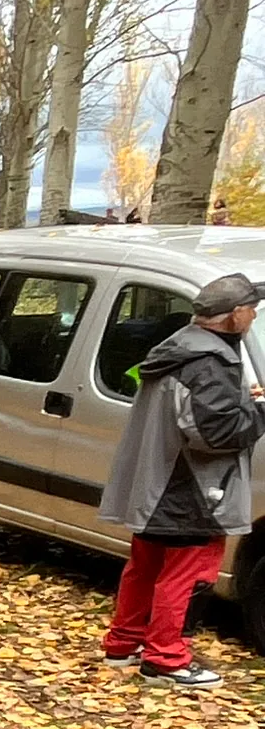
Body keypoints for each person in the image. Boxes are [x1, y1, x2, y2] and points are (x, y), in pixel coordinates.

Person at [97, 271, 265, 689]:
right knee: (189, 574)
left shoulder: (176, 348)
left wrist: (244, 401)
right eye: (252, 309)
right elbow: (215, 434)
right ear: (233, 316)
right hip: (194, 488)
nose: (255, 314)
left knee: (145, 567)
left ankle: (124, 644)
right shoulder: (211, 363)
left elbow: (194, 416)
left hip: (157, 483)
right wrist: (260, 412)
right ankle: (166, 659)